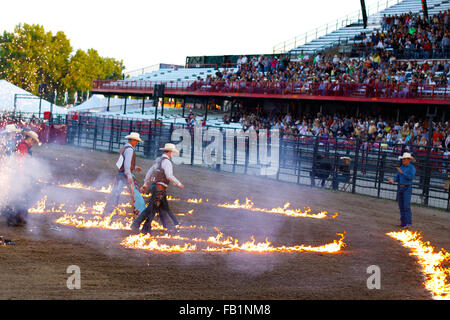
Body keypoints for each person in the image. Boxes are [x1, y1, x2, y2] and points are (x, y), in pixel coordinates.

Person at [131, 143, 184, 234]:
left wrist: (145, 184)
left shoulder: (158, 160)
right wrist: (178, 183)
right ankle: (136, 224)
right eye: (172, 153)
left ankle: (167, 226)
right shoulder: (167, 162)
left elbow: (150, 172)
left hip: (155, 187)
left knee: (161, 208)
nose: (172, 155)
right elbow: (169, 175)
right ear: (169, 152)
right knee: (152, 208)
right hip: (160, 189)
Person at [2, 130, 41, 227]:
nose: (33, 144)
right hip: (19, 175)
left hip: (18, 175)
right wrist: (24, 178)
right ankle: (15, 217)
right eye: (33, 141)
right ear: (30, 139)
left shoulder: (23, 146)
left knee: (20, 197)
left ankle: (18, 217)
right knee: (19, 196)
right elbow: (21, 164)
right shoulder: (23, 147)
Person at [104, 132, 146, 216]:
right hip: (126, 175)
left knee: (115, 193)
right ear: (133, 140)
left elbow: (121, 163)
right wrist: (129, 175)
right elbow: (127, 164)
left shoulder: (124, 148)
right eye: (136, 141)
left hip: (120, 174)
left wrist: (134, 167)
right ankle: (141, 212)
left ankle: (108, 211)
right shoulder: (130, 150)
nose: (137, 143)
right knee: (135, 193)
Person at [388, 152, 416, 229]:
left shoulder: (411, 168)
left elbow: (410, 177)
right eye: (403, 159)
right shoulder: (403, 167)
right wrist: (393, 180)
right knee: (401, 206)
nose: (403, 160)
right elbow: (397, 177)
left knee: (406, 206)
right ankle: (404, 223)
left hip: (407, 188)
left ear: (408, 160)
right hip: (401, 187)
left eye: (404, 159)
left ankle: (408, 223)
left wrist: (402, 173)